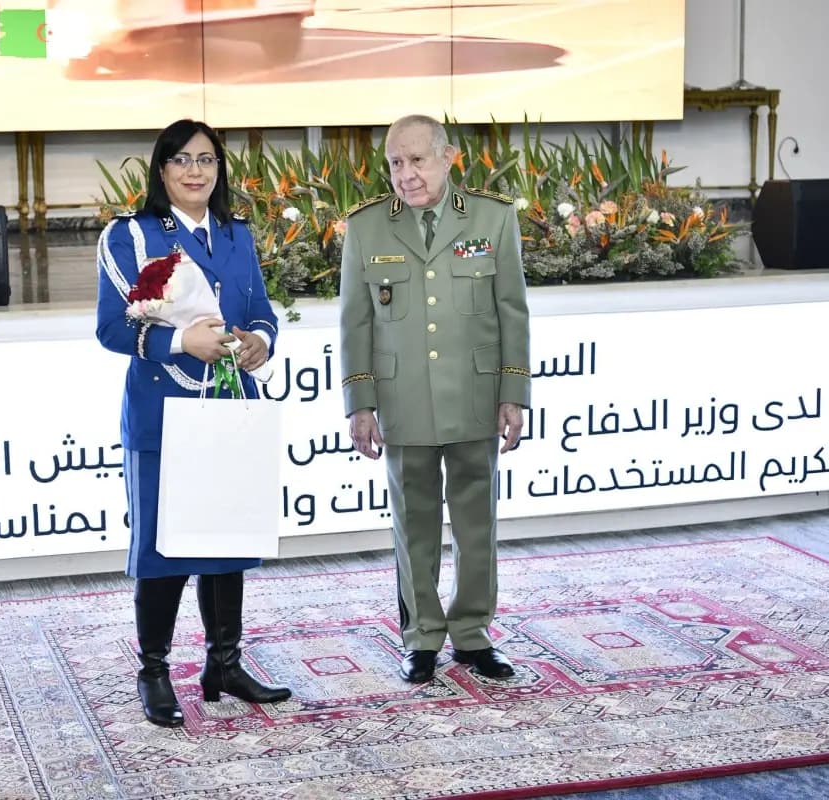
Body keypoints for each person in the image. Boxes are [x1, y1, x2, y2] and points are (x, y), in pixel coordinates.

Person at [95, 118, 292, 727]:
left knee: (226, 538)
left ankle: (223, 664)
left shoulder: (236, 235)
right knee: (164, 546)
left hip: (230, 410)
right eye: (181, 160)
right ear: (161, 169)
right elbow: (112, 329)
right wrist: (182, 339)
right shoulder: (131, 236)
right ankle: (154, 670)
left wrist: (260, 341)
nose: (195, 170)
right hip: (162, 413)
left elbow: (260, 310)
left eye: (205, 159)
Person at [338, 114, 531, 684]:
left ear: (448, 158)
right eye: (396, 163)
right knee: (413, 522)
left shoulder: (493, 220)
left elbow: (512, 311)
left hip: (474, 393)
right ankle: (421, 635)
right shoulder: (368, 228)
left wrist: (512, 392)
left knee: (477, 524)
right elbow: (355, 325)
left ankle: (472, 633)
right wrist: (360, 403)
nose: (406, 174)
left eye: (417, 160)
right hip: (403, 401)